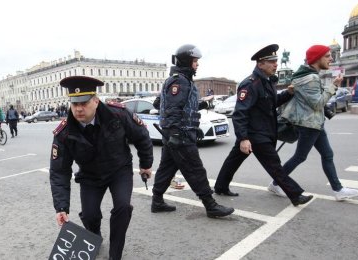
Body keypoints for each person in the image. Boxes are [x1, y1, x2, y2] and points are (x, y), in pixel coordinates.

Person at [49, 76, 153, 260]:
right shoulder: (64, 133)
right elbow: (59, 172)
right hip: (90, 176)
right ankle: (94, 237)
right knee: (90, 215)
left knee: (122, 208)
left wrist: (145, 165)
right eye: (75, 104)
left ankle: (115, 254)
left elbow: (141, 136)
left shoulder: (118, 114)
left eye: (84, 103)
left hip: (118, 170)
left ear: (96, 101)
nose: (79, 109)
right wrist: (61, 207)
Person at [213, 44, 313, 207]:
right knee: (274, 165)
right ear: (260, 64)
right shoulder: (250, 84)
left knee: (233, 160)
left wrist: (288, 93)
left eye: (276, 61)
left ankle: (220, 186)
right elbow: (240, 113)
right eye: (272, 61)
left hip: (263, 132)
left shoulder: (266, 82)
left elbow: (272, 103)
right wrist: (244, 138)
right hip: (255, 134)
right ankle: (295, 195)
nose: (276, 64)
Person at [151, 44, 234, 218]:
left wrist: (200, 105)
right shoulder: (180, 81)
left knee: (166, 169)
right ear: (187, 61)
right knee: (195, 169)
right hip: (179, 136)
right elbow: (172, 108)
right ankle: (210, 205)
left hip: (177, 134)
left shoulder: (176, 79)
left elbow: (159, 104)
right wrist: (175, 132)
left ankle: (157, 201)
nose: (197, 64)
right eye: (195, 61)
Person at [278, 44, 358, 201]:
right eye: (327, 56)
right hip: (309, 125)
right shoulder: (311, 78)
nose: (331, 58)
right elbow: (317, 103)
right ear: (316, 58)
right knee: (301, 157)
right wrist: (334, 86)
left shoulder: (309, 76)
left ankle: (338, 190)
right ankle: (277, 182)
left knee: (326, 154)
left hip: (314, 123)